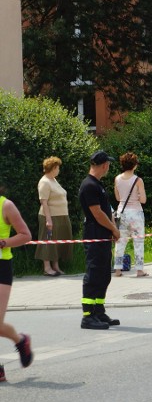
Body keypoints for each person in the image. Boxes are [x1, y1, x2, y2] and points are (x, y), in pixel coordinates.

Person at [79, 150, 121, 329]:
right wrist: (113, 228)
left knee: (104, 274)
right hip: (94, 234)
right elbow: (97, 213)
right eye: (108, 164)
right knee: (94, 273)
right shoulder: (89, 185)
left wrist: (113, 229)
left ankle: (99, 310)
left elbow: (107, 211)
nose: (108, 167)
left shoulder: (98, 185)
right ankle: (88, 315)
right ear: (104, 165)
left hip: (103, 235)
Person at [0, 189, 35, 382]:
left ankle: (21, 341)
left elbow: (25, 235)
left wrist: (3, 242)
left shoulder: (6, 205)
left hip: (1, 267)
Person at [35, 156, 73, 276]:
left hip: (61, 216)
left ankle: (56, 266)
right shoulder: (44, 182)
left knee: (57, 240)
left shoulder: (54, 180)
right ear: (53, 168)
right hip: (50, 216)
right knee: (48, 240)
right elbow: (44, 202)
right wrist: (48, 220)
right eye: (57, 168)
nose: (59, 170)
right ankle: (47, 267)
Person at [113, 152, 148, 277]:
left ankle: (117, 269)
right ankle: (139, 270)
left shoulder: (117, 179)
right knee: (138, 242)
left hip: (122, 212)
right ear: (134, 165)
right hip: (136, 213)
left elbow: (117, 197)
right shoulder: (138, 180)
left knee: (120, 242)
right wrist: (138, 195)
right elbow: (143, 200)